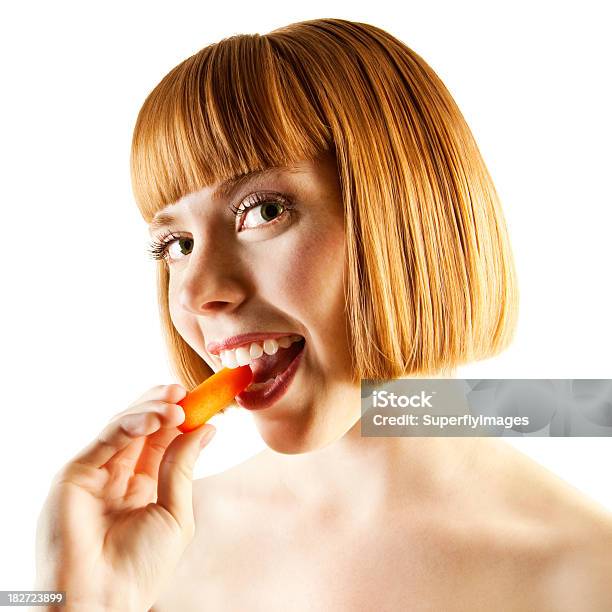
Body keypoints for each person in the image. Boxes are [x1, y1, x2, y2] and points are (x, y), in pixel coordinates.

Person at [35, 17, 612, 611]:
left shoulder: (591, 576)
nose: (197, 292)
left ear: (405, 214)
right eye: (176, 246)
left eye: (262, 211)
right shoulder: (150, 556)